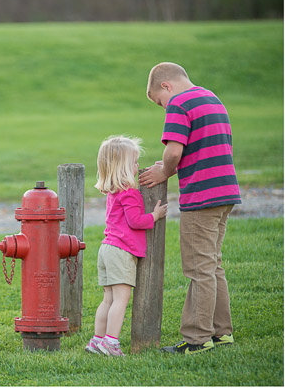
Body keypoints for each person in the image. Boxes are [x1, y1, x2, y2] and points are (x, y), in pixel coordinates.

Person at [139, 62, 241, 354]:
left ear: (166, 87)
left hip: (202, 194)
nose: (164, 107)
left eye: (160, 101)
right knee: (212, 264)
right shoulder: (212, 99)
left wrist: (164, 172)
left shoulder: (180, 103)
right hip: (225, 191)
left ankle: (197, 339)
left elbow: (173, 150)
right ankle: (222, 332)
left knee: (198, 268)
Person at [85, 135, 168, 357]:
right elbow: (135, 221)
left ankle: (97, 340)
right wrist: (155, 215)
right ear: (123, 167)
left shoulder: (114, 191)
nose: (137, 167)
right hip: (121, 251)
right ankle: (111, 343)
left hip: (107, 249)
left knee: (108, 299)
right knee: (121, 300)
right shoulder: (130, 193)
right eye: (134, 163)